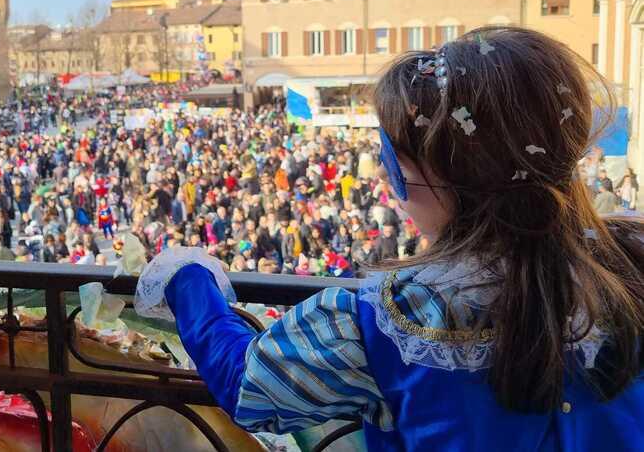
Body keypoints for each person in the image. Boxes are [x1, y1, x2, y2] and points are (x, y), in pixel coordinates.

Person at [135, 27, 644, 450]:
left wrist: (188, 280)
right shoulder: (631, 261)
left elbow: (249, 385)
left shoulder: (390, 320)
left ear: (434, 175)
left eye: (393, 158)